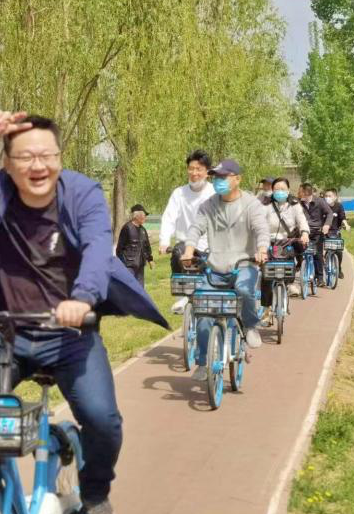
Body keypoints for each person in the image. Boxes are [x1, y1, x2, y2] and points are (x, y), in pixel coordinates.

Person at [0, 110, 168, 514]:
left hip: (71, 337)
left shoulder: (82, 194)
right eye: (25, 157)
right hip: (7, 333)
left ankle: (95, 493)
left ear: (60, 157)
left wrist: (82, 298)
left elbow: (98, 248)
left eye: (47, 155)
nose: (38, 165)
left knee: (103, 420)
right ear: (7, 163)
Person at [181, 159, 269, 381]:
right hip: (215, 268)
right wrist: (188, 250)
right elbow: (195, 228)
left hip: (244, 264)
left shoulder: (251, 204)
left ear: (237, 179)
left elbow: (261, 229)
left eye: (223, 177)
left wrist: (261, 249)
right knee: (202, 312)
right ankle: (203, 362)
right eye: (216, 177)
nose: (218, 181)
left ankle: (250, 326)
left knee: (244, 289)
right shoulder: (209, 205)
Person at [158, 149, 215, 313]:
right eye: (191, 168)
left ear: (207, 172)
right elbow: (169, 217)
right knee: (178, 253)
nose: (194, 173)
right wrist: (164, 241)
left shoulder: (214, 192)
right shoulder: (179, 193)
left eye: (199, 169)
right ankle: (182, 298)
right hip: (185, 245)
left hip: (209, 245)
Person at [261, 177, 310, 309]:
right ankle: (266, 307)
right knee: (267, 275)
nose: (280, 192)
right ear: (272, 191)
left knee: (288, 268)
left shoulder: (294, 205)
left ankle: (288, 285)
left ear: (288, 190)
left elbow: (302, 220)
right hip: (269, 242)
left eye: (283, 189)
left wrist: (305, 233)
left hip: (287, 242)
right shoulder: (265, 205)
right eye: (276, 189)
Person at [298, 183, 334, 287]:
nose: (298, 193)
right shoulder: (298, 203)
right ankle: (301, 266)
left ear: (306, 193)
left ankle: (320, 278)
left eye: (300, 192)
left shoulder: (320, 201)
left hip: (317, 231)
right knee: (299, 250)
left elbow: (329, 213)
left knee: (317, 254)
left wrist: (326, 225)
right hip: (303, 231)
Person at [115, 204, 154, 286]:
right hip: (129, 266)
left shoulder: (143, 230)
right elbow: (119, 249)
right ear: (136, 216)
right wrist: (124, 264)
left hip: (140, 265)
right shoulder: (127, 228)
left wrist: (150, 260)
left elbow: (147, 246)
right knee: (129, 288)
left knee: (140, 288)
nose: (145, 218)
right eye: (144, 215)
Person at [324, 188, 350, 279]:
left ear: (335, 197)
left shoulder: (339, 206)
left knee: (338, 251)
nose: (327, 198)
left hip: (335, 232)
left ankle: (339, 268)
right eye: (326, 196)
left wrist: (346, 225)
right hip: (323, 232)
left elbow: (343, 217)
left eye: (329, 196)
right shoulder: (322, 205)